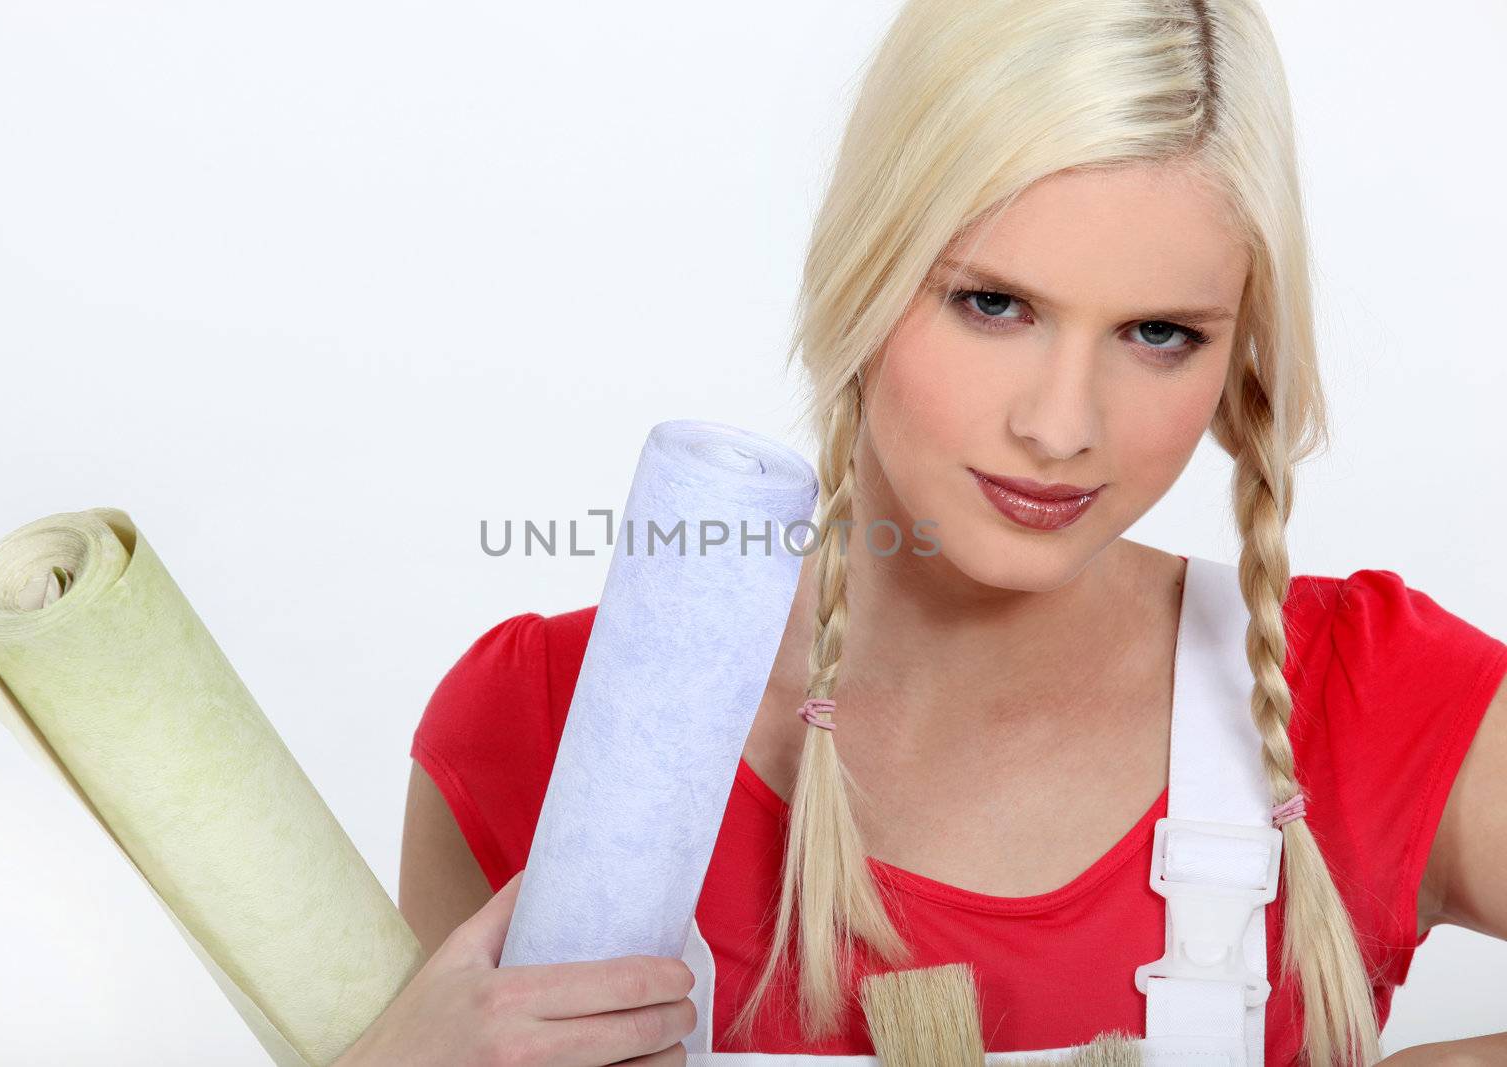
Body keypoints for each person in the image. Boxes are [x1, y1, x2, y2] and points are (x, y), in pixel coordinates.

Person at [336, 0, 1507, 1063]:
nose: (1059, 426)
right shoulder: (539, 726)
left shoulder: (1368, 699)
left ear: (1238, 348)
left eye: (1158, 332)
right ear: (862, 272)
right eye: (992, 303)